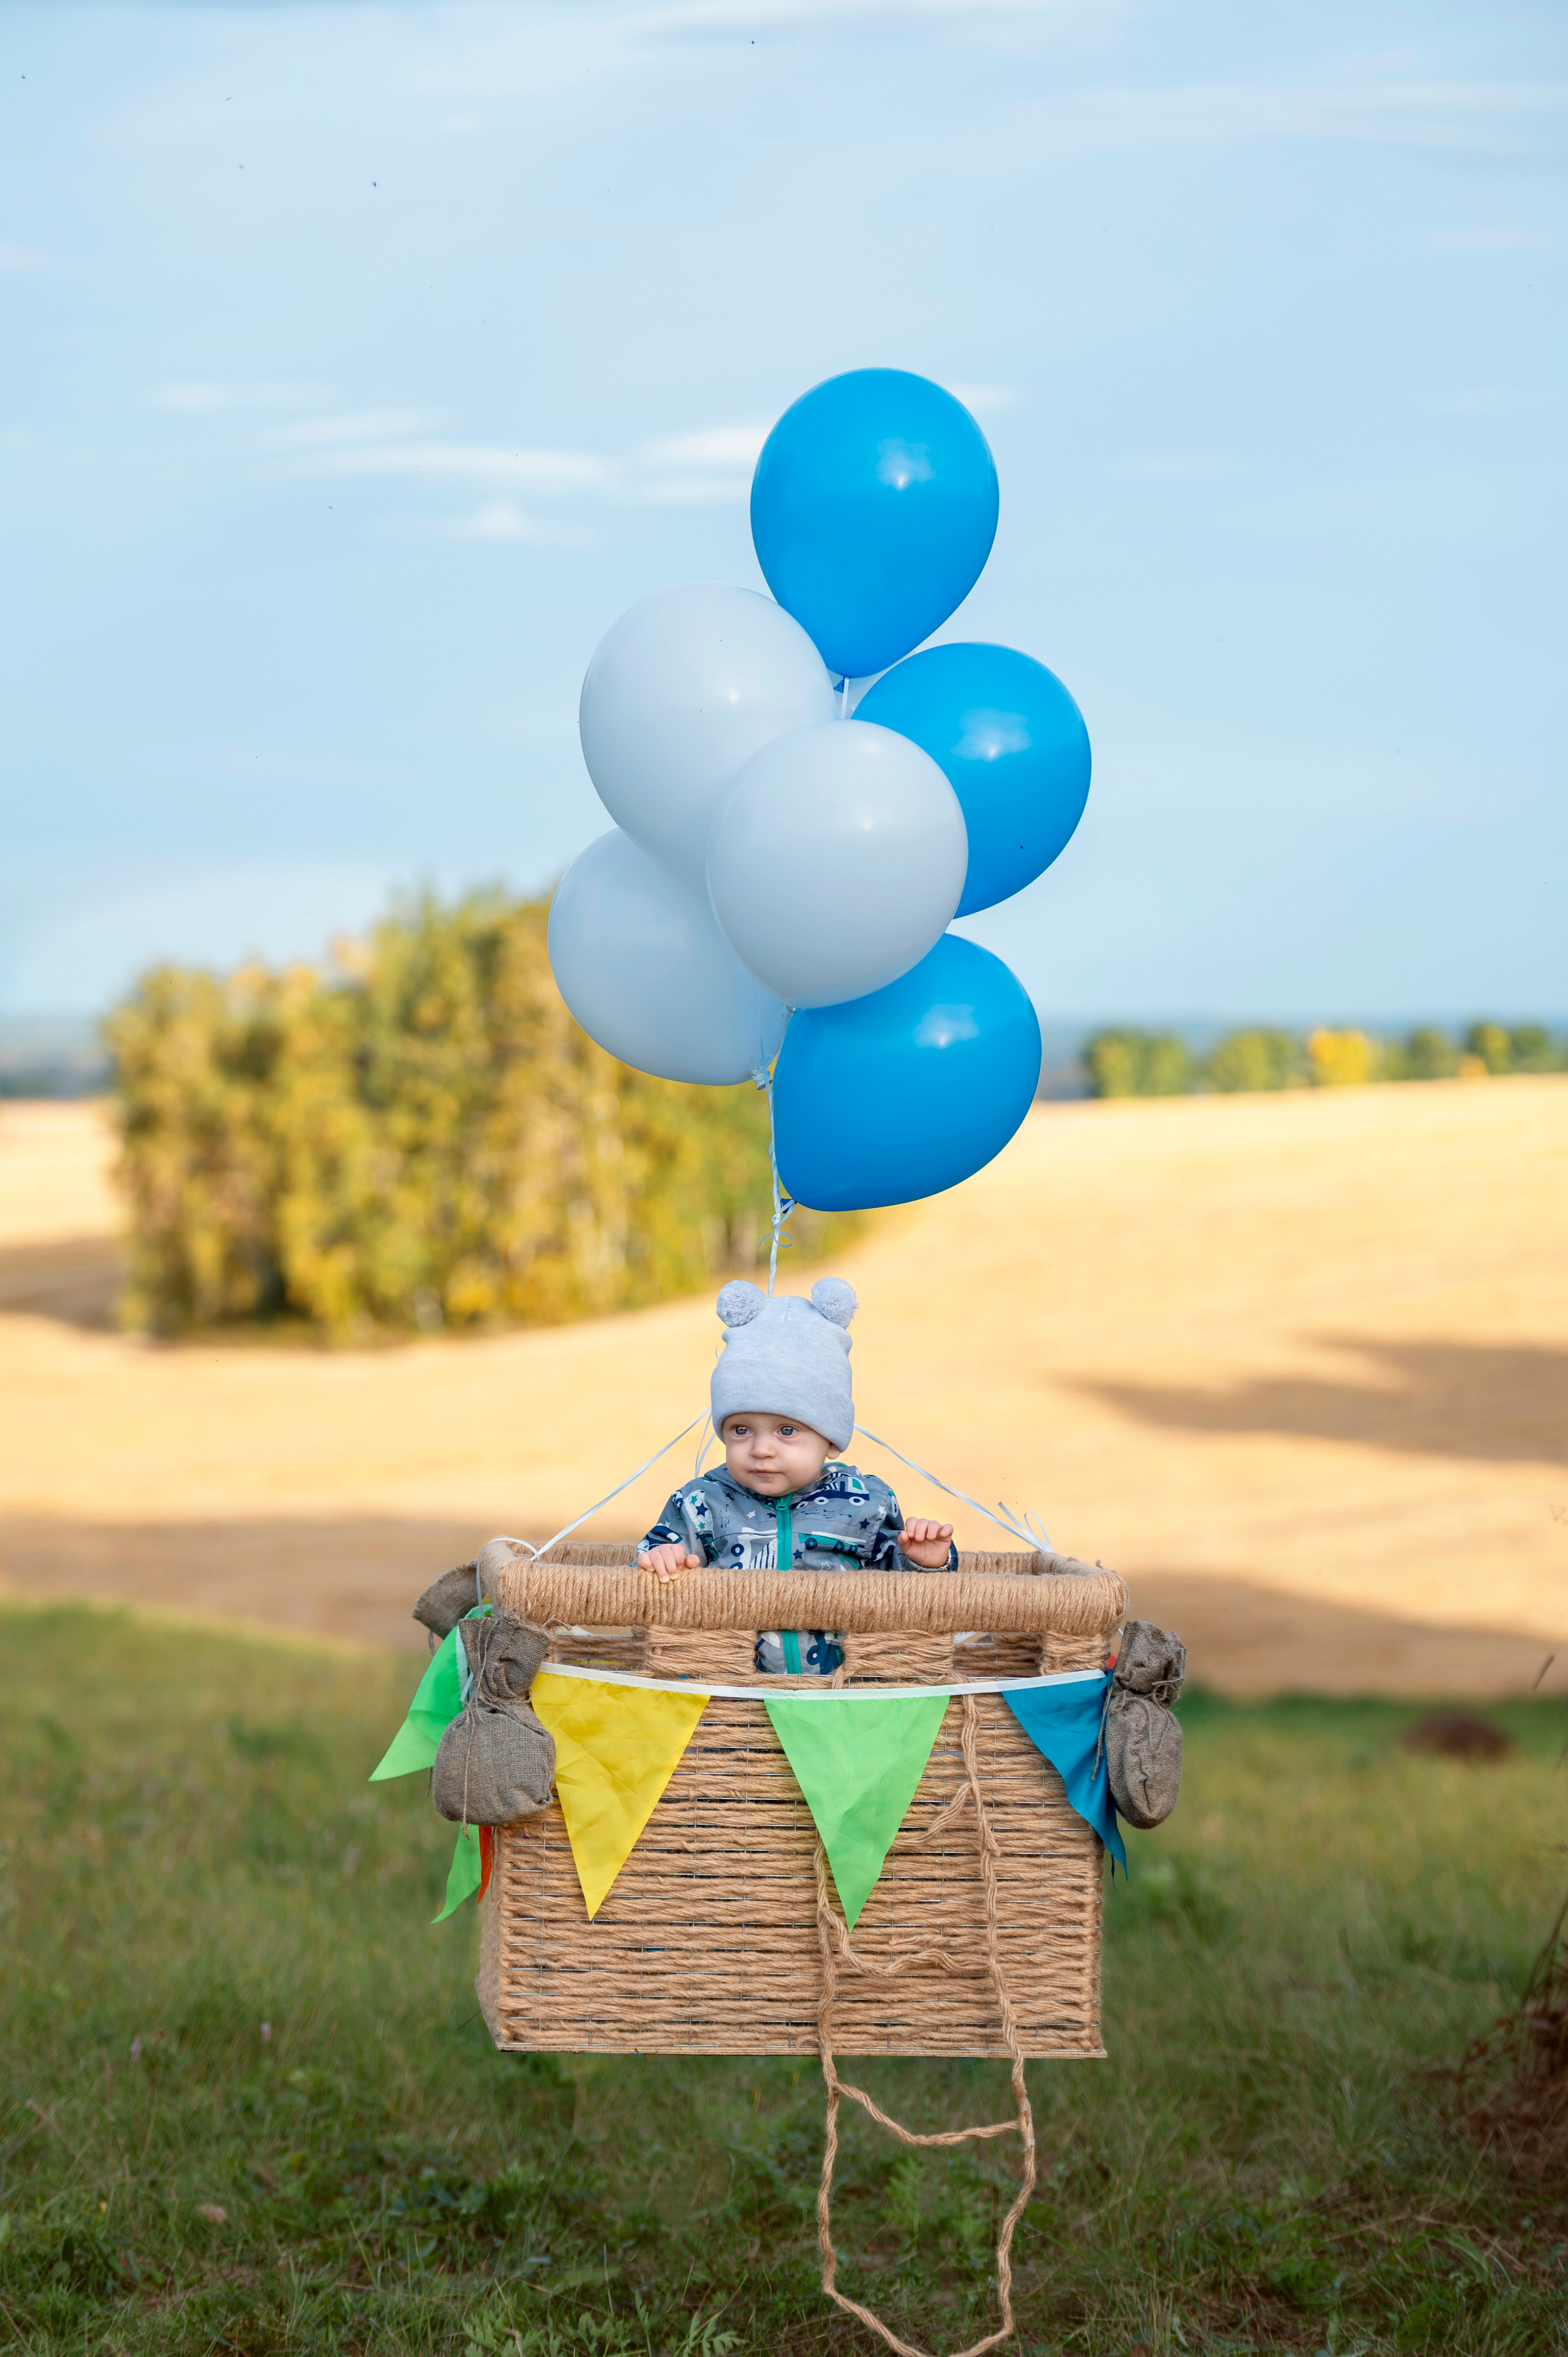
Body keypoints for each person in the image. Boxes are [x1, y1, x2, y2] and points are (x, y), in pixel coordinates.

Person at [633, 1276, 955, 1675]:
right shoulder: (701, 1502)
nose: (761, 1448)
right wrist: (660, 1559)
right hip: (728, 1701)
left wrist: (924, 1563)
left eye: (787, 1430)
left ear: (831, 1441)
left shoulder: (867, 1501)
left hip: (845, 1700)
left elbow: (908, 1602)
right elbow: (644, 1580)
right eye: (741, 1429)